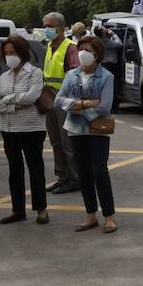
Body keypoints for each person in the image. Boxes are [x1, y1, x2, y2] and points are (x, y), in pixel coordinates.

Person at [55, 35, 117, 233]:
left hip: (97, 130)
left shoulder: (106, 76)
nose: (82, 54)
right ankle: (90, 215)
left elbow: (105, 106)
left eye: (87, 50)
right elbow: (59, 100)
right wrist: (83, 104)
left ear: (97, 54)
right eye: (81, 49)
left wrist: (83, 111)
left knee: (100, 172)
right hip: (75, 130)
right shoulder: (71, 75)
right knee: (83, 174)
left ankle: (109, 217)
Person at [0, 36, 49, 225]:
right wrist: (13, 104)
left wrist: (7, 99)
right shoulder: (4, 76)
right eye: (6, 53)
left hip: (31, 128)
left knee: (35, 169)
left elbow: (30, 98)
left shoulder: (34, 73)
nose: (9, 57)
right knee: (14, 170)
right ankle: (18, 210)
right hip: (8, 128)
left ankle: (41, 209)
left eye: (12, 53)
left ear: (22, 53)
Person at [42, 12, 80, 193]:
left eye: (49, 26)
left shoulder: (70, 47)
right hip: (50, 97)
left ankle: (74, 179)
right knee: (55, 140)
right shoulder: (50, 45)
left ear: (60, 28)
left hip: (64, 99)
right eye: (45, 26)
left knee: (67, 142)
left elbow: (75, 75)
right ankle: (62, 176)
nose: (46, 30)